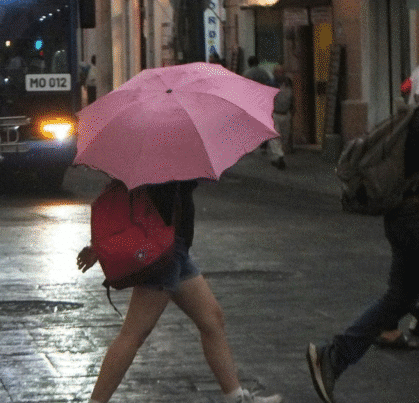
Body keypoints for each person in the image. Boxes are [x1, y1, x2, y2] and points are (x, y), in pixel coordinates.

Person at [78, 180, 282, 403]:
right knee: (133, 333)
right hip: (162, 249)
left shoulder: (158, 154)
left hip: (176, 248)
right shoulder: (166, 157)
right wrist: (100, 245)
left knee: (212, 319)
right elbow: (133, 198)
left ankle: (236, 397)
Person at [306, 106, 419, 403]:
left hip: (402, 218)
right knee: (400, 299)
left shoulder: (412, 118)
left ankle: (333, 358)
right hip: (414, 221)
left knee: (398, 299)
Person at [269, 75, 293, 170]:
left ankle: (279, 156)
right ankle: (279, 155)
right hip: (281, 114)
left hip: (280, 114)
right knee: (279, 136)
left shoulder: (282, 90)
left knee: (278, 137)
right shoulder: (289, 91)